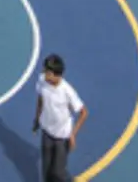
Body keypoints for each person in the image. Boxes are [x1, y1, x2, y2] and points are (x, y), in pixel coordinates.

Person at [32, 53, 87, 182]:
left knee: (58, 172)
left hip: (62, 138)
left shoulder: (67, 91)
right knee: (46, 171)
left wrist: (73, 135)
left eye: (46, 71)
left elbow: (84, 112)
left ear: (54, 74)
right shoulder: (42, 80)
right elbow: (40, 99)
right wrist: (37, 119)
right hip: (46, 133)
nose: (43, 73)